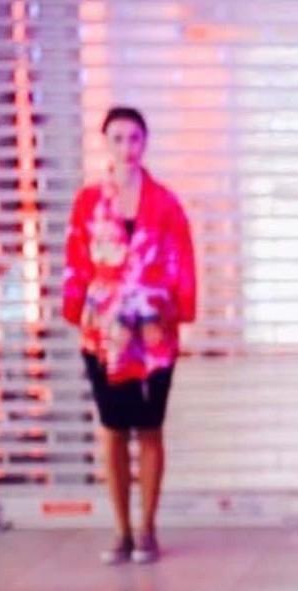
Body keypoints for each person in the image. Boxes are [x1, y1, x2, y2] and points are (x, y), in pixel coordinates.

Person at [61, 106, 197, 564]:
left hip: (154, 330)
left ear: (145, 142)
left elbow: (183, 259)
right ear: (107, 143)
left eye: (134, 137)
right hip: (105, 330)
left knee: (151, 427)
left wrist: (178, 310)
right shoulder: (87, 202)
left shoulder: (166, 202)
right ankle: (120, 530)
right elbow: (76, 260)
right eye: (117, 138)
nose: (126, 147)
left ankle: (148, 528)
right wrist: (77, 308)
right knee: (113, 428)